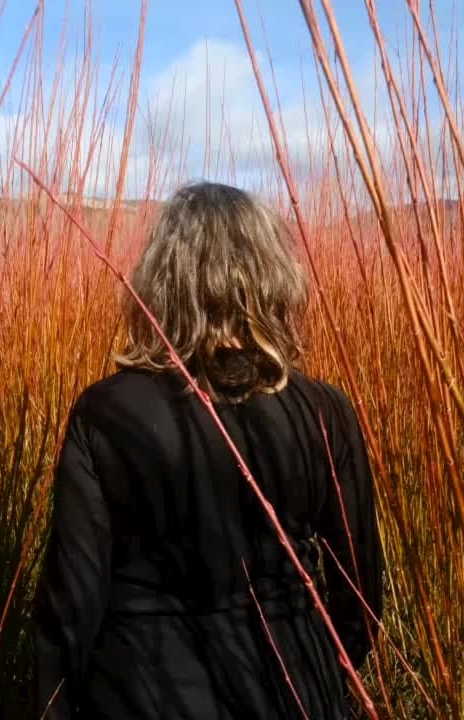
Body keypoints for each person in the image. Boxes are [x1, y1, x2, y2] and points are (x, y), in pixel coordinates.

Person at [33, 182, 383, 719]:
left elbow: (69, 613)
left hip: (138, 699)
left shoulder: (105, 413)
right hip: (295, 697)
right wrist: (318, 682)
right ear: (273, 280)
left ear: (161, 285)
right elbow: (360, 607)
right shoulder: (324, 412)